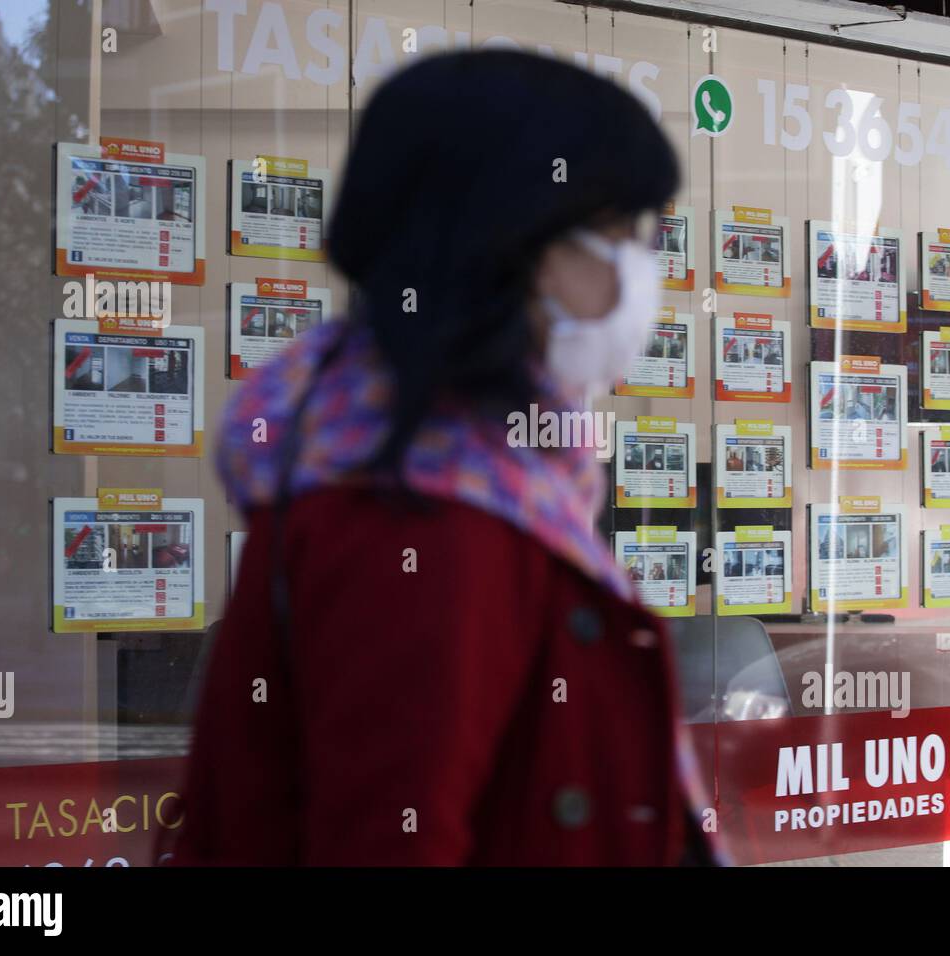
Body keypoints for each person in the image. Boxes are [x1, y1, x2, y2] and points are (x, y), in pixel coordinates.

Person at [170, 51, 721, 866]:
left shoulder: (461, 477)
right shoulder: (423, 523)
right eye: (617, 235)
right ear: (514, 247)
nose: (643, 271)